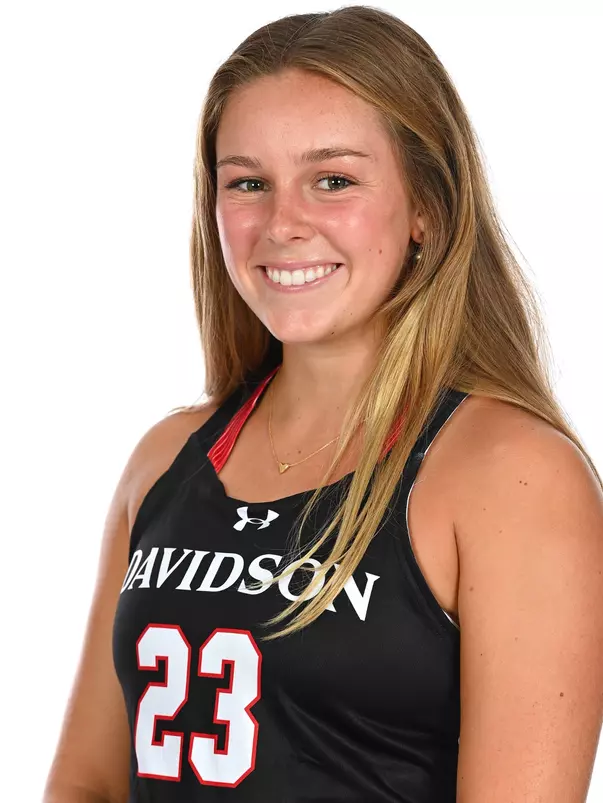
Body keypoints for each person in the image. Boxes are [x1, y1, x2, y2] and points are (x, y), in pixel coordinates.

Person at [43, 6, 603, 803]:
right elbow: (85, 783)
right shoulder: (164, 460)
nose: (282, 223)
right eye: (247, 183)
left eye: (332, 180)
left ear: (426, 210)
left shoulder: (510, 475)